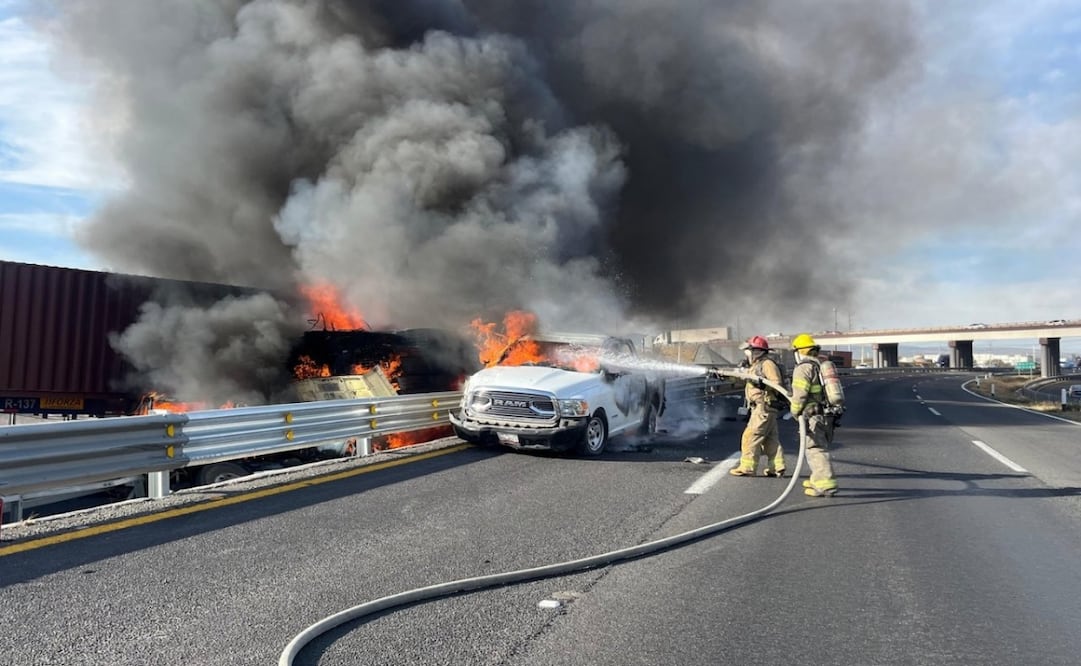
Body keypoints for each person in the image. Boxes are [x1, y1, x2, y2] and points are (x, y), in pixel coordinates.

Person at [730, 335, 786, 477]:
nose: (747, 354)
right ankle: (777, 467)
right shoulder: (756, 365)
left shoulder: (767, 364)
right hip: (764, 408)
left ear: (757, 351)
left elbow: (776, 383)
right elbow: (745, 381)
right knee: (769, 439)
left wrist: (761, 383)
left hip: (764, 407)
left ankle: (747, 467)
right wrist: (726, 376)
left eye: (749, 351)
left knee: (750, 436)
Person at [790, 333, 838, 497]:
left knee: (815, 448)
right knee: (819, 446)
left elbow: (799, 395)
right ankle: (816, 479)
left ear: (799, 351)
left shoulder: (803, 368)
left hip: (812, 416)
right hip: (826, 414)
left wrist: (795, 412)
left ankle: (825, 484)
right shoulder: (820, 364)